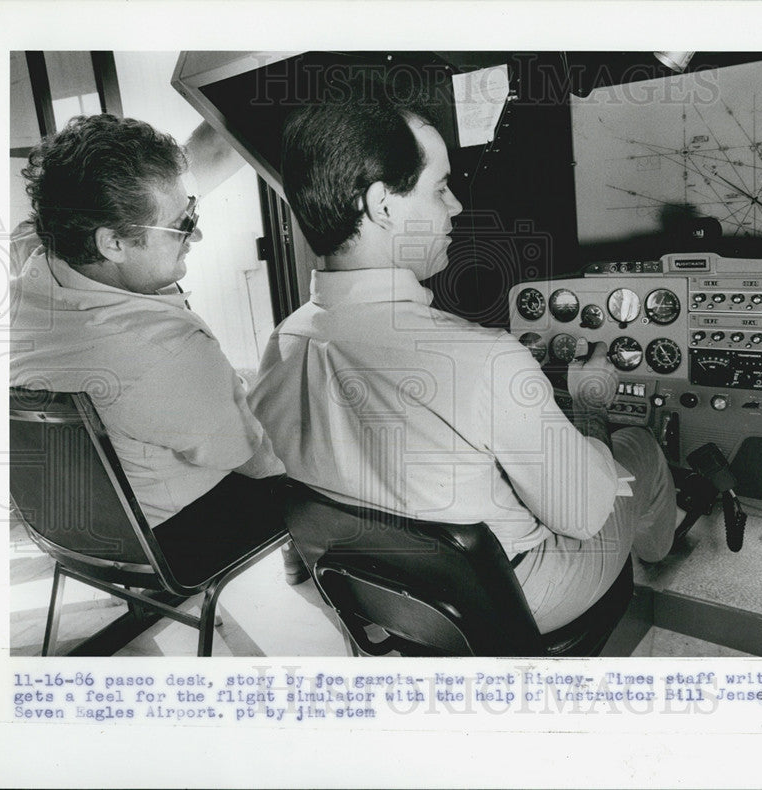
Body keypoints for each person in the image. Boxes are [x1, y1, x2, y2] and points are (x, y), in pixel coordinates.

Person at [248, 81, 677, 633]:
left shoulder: (282, 342)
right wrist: (590, 407)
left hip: (375, 594)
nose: (455, 205)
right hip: (515, 601)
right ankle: (662, 560)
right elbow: (581, 514)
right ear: (382, 204)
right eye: (441, 187)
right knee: (635, 450)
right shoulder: (487, 360)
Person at [10, 114, 306, 582]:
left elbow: (202, 159)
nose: (197, 235)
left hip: (67, 533)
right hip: (169, 544)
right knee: (309, 431)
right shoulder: (163, 352)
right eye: (182, 225)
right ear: (113, 244)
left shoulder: (30, 258)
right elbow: (258, 461)